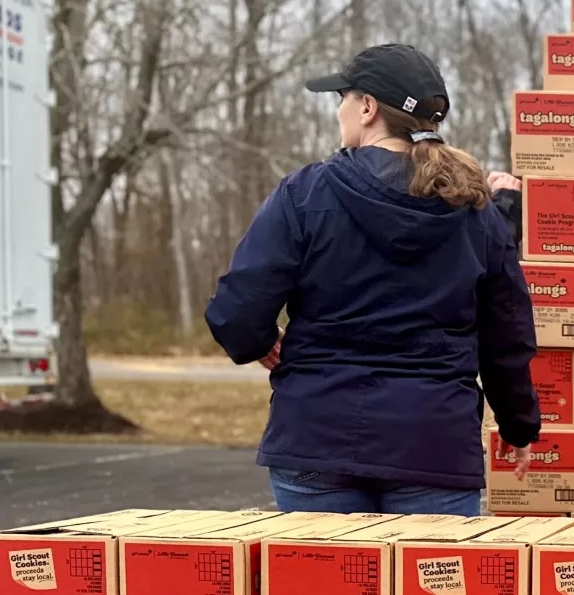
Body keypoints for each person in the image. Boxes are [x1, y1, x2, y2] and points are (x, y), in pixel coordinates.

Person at [207, 44, 540, 514]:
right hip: (434, 447)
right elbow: (506, 336)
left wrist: (260, 341)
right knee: (429, 589)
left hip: (316, 441)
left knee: (320, 590)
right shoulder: (475, 213)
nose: (339, 111)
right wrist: (518, 426)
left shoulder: (304, 194)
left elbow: (237, 312)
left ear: (366, 108)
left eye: (342, 98)